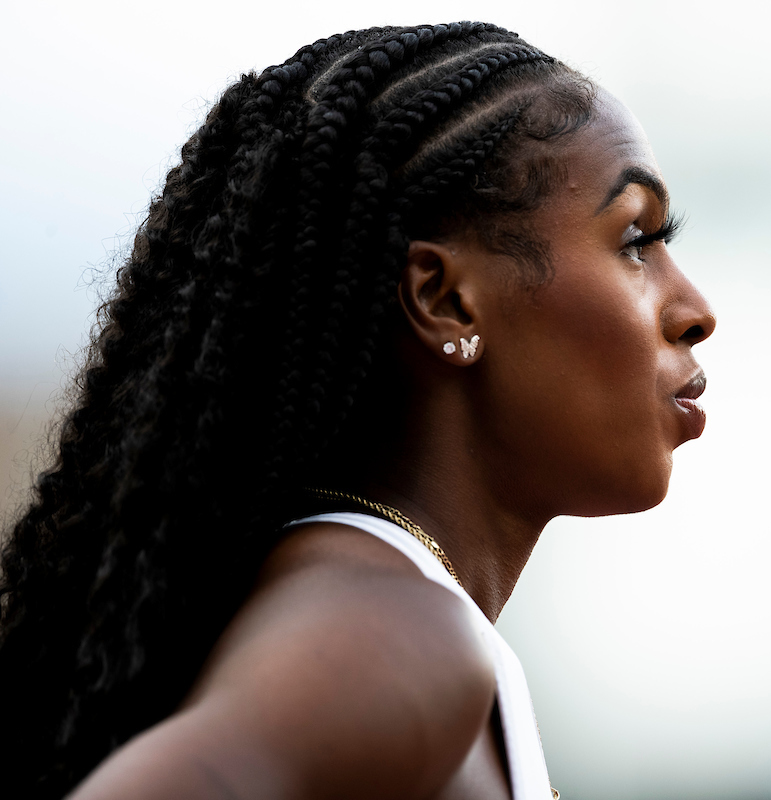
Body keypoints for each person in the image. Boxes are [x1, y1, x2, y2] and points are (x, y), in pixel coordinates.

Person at [0, 21, 715, 799]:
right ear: (444, 300)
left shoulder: (373, 613)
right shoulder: (392, 634)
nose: (696, 310)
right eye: (636, 239)